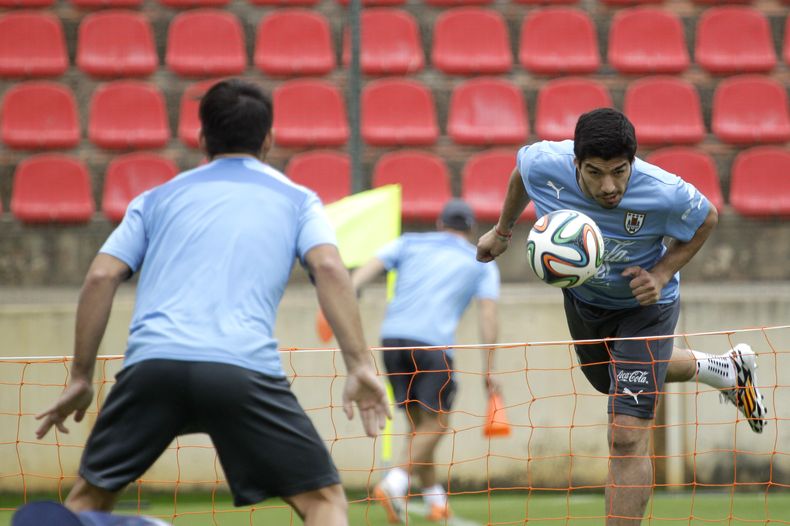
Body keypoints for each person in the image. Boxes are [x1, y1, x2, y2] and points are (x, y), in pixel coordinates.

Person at [33, 79, 390, 526]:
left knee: (87, 500)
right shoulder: (299, 200)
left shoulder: (155, 199)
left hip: (152, 368)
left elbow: (102, 275)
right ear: (268, 140)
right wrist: (359, 364)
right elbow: (332, 269)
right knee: (323, 501)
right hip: (241, 370)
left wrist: (82, 376)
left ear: (202, 139)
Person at [476, 108, 767, 526]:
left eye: (619, 171)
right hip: (585, 302)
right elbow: (521, 173)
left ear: (633, 162)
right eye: (594, 173)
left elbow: (707, 218)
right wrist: (502, 232)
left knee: (625, 434)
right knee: (607, 381)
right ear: (575, 163)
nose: (608, 186)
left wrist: (663, 272)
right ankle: (726, 369)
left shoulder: (664, 191)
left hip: (646, 308)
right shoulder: (544, 162)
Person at [351, 199, 501, 523]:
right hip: (432, 346)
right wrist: (490, 367)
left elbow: (367, 270)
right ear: (471, 229)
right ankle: (395, 482)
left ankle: (437, 502)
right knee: (436, 425)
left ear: (439, 224)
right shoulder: (482, 260)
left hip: (392, 342)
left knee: (419, 428)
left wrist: (348, 292)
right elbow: (488, 315)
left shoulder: (409, 242)